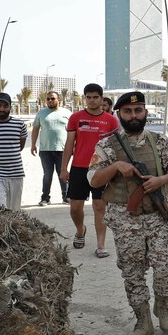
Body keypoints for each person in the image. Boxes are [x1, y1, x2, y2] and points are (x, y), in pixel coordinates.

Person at [88, 91, 168, 335]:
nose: (133, 116)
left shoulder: (159, 142)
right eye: (128, 112)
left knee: (165, 266)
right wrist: (116, 167)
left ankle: (162, 306)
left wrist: (160, 180)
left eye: (138, 110)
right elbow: (94, 179)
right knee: (132, 271)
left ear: (145, 113)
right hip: (124, 218)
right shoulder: (107, 145)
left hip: (157, 214)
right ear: (119, 114)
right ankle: (142, 319)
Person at [61, 83, 120, 258]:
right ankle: (81, 230)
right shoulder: (75, 118)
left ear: (102, 99)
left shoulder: (111, 121)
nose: (92, 100)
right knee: (75, 207)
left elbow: (116, 147)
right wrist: (64, 168)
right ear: (84, 98)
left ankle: (100, 244)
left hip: (101, 169)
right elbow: (69, 144)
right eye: (88, 97)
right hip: (79, 168)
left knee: (99, 206)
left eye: (95, 97)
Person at [0, 93, 28, 210]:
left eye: (5, 106)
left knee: (14, 211)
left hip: (16, 174)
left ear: (10, 107)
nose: (2, 109)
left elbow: (21, 145)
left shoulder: (19, 124)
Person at [31, 91, 71, 206]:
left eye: (52, 99)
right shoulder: (41, 113)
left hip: (62, 149)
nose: (50, 101)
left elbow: (73, 131)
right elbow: (35, 129)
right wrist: (33, 145)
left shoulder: (67, 113)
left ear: (59, 100)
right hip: (45, 150)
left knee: (62, 172)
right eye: (48, 99)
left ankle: (66, 196)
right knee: (47, 174)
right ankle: (45, 198)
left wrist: (74, 145)